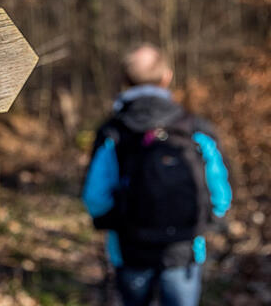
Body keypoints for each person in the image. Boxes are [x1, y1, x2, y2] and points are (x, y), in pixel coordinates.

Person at [82, 44, 231, 306]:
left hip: (129, 250)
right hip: (184, 250)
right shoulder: (194, 128)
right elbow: (220, 195)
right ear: (167, 77)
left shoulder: (114, 132)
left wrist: (114, 222)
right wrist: (208, 220)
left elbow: (96, 197)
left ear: (125, 81)